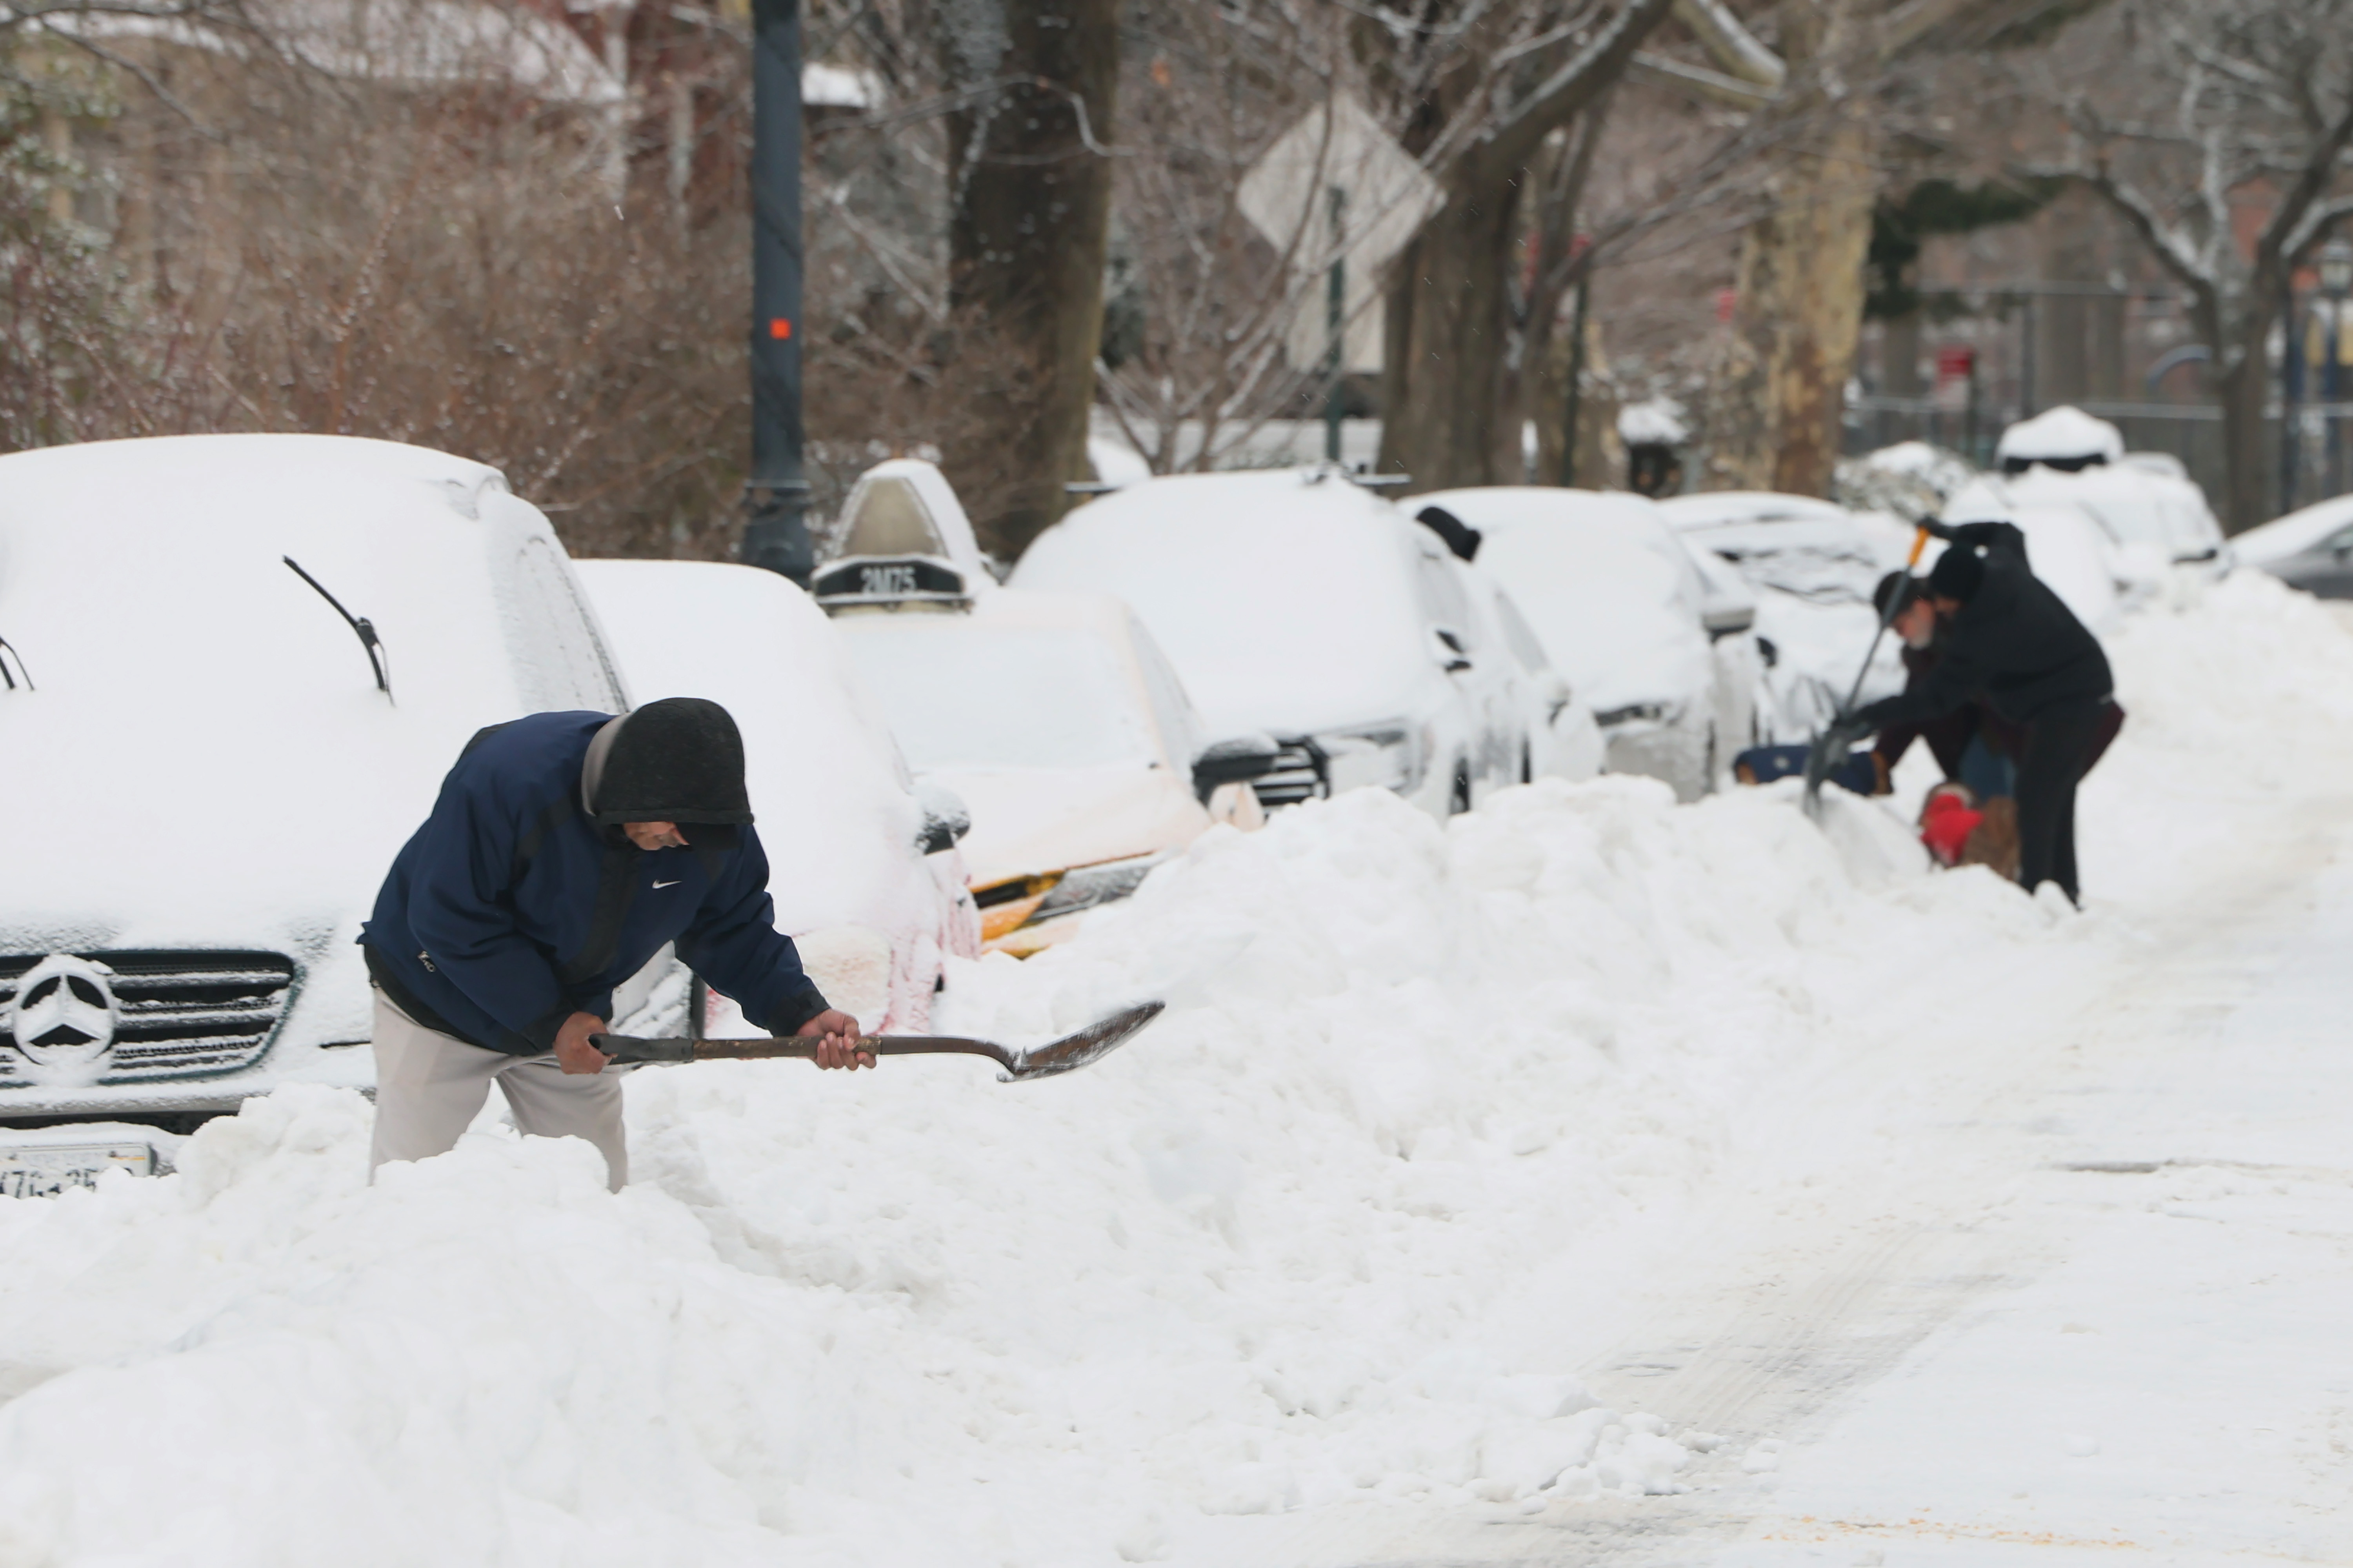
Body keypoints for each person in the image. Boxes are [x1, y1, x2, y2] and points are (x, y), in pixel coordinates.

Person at [358, 698, 867, 1191]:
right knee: (410, 1190)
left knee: (598, 1199)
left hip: (573, 1023)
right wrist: (552, 1018)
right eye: (672, 830)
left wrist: (797, 1010)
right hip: (435, 1002)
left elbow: (733, 928)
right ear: (630, 790)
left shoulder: (708, 830)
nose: (682, 842)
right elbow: (452, 916)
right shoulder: (510, 780)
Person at [1851, 522, 2123, 904]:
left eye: (1900, 625)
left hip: (2075, 694)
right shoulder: (1999, 567)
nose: (1901, 635)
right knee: (2050, 797)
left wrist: (1868, 716)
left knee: (2037, 796)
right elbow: (2006, 534)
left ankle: (2036, 894)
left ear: (1923, 604)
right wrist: (1952, 533)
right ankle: (2060, 892)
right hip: (2046, 705)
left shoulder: (1980, 633)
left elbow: (1935, 698)